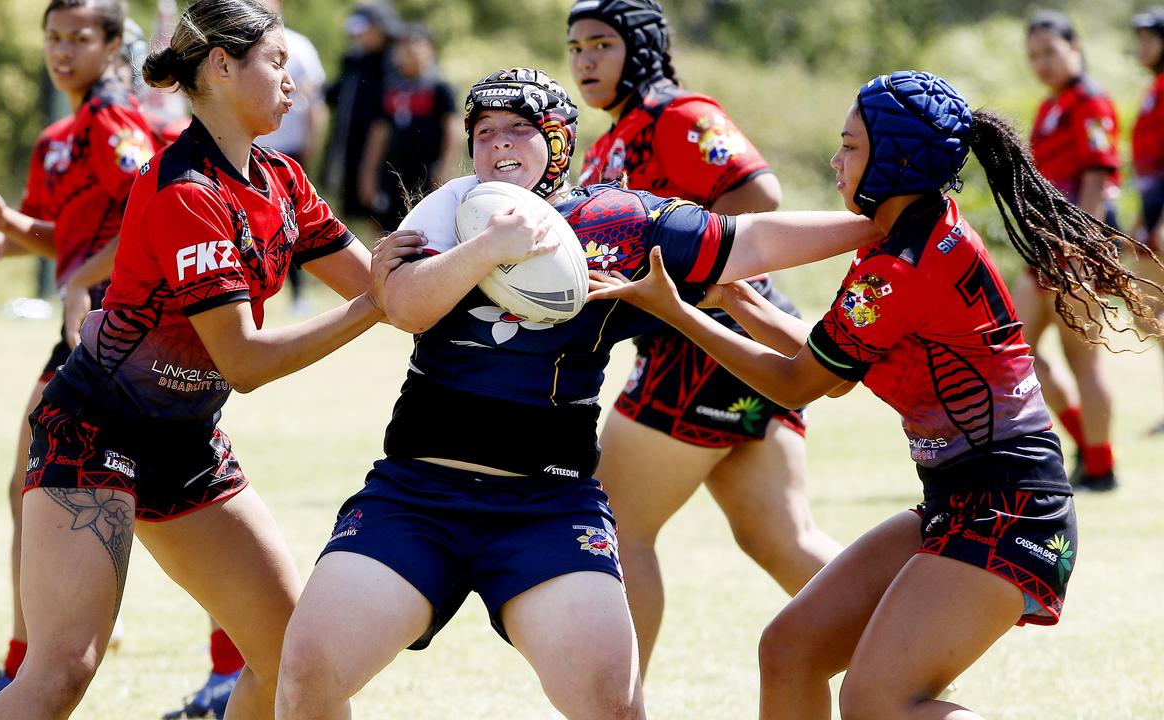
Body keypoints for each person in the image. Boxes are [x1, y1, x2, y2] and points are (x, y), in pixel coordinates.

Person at [273, 67, 888, 720]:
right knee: (308, 674)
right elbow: (405, 307)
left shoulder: (616, 220)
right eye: (484, 132)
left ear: (559, 142)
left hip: (547, 507)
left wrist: (880, 225)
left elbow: (754, 239)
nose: (499, 145)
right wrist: (489, 248)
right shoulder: (448, 211)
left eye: (519, 129)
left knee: (612, 706)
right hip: (416, 497)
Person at [587, 70, 1160, 720]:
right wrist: (736, 299)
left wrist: (679, 314)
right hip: (965, 500)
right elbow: (826, 361)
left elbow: (800, 383)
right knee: (791, 648)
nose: (836, 159)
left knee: (879, 704)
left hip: (1010, 511)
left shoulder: (900, 266)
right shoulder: (907, 236)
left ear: (898, 159)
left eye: (850, 146)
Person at [0, 0, 419, 717]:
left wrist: (496, 256)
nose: (293, 83)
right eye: (276, 63)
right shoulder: (186, 189)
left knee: (294, 661)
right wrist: (372, 306)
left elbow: (391, 290)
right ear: (221, 65)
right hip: (95, 432)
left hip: (185, 444)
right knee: (62, 673)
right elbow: (244, 360)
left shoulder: (283, 181)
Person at [567, 0, 840, 675]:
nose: (585, 61)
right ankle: (906, 653)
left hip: (706, 346)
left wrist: (695, 279)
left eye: (602, 44)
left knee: (615, 525)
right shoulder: (610, 140)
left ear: (643, 47)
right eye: (575, 48)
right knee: (778, 539)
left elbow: (759, 195)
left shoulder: (678, 116)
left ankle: (616, 711)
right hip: (729, 353)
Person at [0, 0, 161, 715]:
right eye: (53, 38)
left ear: (112, 44)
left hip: (115, 323)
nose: (62, 51)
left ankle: (28, 664)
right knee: (45, 487)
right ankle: (23, 661)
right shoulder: (61, 136)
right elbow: (65, 236)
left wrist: (77, 279)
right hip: (82, 324)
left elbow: (151, 213)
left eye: (80, 38)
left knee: (154, 491)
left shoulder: (112, 121)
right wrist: (11, 228)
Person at [1020, 9, 1121, 490]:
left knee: (1083, 360)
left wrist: (1081, 248)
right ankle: (1086, 446)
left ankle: (1101, 468)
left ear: (1074, 48)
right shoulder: (1050, 107)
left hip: (1075, 249)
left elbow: (1098, 178)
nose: (1042, 63)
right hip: (1042, 248)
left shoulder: (1091, 103)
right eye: (1034, 55)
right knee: (1016, 350)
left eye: (1050, 52)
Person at [255, 3, 329, 315]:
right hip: (251, 146)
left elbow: (314, 100)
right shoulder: (238, 44)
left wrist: (311, 143)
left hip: (289, 150)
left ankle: (299, 293)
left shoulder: (299, 45)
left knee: (294, 226)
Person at [358, 22, 462, 233]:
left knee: (426, 231)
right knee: (386, 230)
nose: (409, 51)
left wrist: (445, 166)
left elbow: (453, 129)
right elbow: (379, 133)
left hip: (427, 172)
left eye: (415, 44)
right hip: (392, 173)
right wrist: (368, 173)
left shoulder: (440, 88)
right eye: (403, 45)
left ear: (430, 49)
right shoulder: (390, 87)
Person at [322, 2, 397, 219]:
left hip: (380, 155)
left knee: (378, 218)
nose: (358, 35)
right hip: (346, 150)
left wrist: (370, 171)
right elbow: (336, 95)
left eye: (365, 29)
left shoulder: (392, 66)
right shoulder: (353, 61)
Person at [1130, 7, 1164, 435]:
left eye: (1149, 38)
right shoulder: (1153, 88)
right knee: (1146, 312)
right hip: (1152, 209)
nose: (1141, 47)